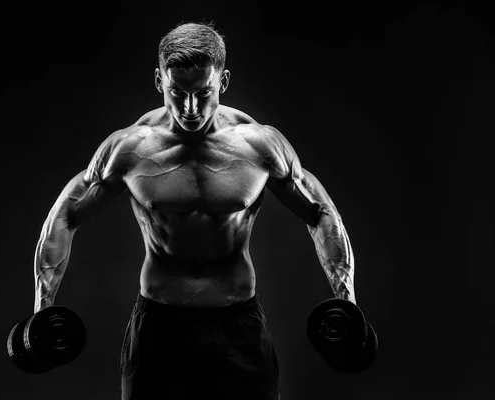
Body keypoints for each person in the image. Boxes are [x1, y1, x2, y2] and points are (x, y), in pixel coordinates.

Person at [32, 22, 355, 400]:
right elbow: (66, 215)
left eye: (204, 93)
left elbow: (320, 211)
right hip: (158, 327)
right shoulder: (130, 149)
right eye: (176, 93)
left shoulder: (259, 146)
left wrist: (346, 300)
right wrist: (43, 308)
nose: (189, 108)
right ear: (159, 81)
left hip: (238, 325)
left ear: (224, 80)